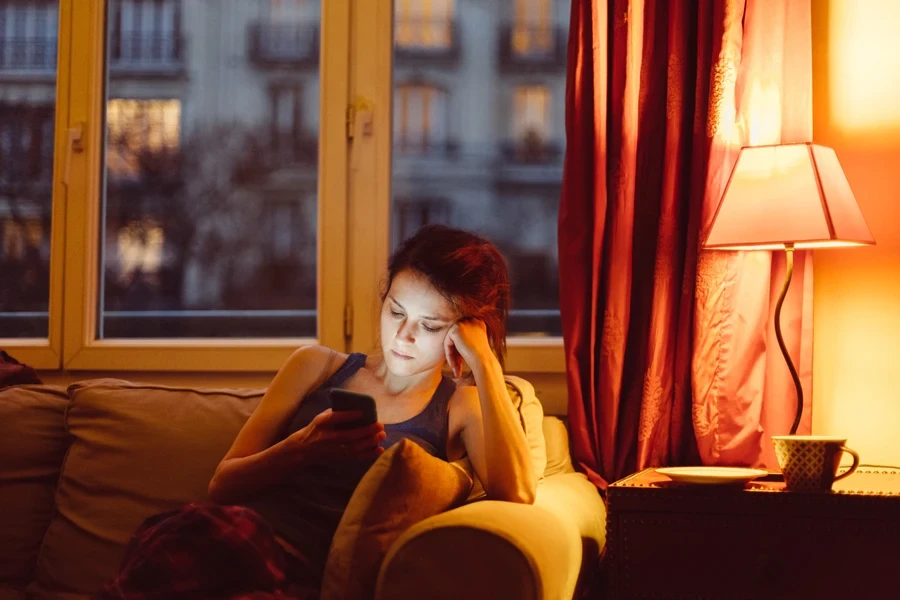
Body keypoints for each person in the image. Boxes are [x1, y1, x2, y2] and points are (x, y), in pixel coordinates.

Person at [94, 224, 536, 600]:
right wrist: (302, 447)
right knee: (192, 537)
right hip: (233, 534)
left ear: (464, 331)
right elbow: (222, 485)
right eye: (395, 311)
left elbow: (516, 491)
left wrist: (485, 362)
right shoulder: (316, 365)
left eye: (430, 326)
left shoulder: (459, 405)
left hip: (299, 574)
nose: (403, 336)